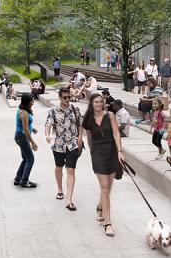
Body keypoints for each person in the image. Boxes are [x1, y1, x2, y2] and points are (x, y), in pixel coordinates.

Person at [81, 93, 125, 238]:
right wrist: (93, 153)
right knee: (104, 188)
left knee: (108, 187)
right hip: (98, 153)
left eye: (101, 102)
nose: (99, 104)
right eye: (96, 102)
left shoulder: (110, 115)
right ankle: (107, 223)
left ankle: (100, 206)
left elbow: (116, 134)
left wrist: (119, 151)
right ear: (91, 104)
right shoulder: (88, 119)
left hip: (112, 152)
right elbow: (89, 139)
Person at [45, 87, 84, 211]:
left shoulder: (75, 109)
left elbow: (80, 124)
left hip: (72, 143)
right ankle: (60, 189)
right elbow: (48, 124)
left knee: (71, 170)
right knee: (59, 167)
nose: (67, 99)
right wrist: (47, 135)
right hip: (59, 144)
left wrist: (79, 138)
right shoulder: (53, 110)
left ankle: (69, 200)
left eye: (69, 97)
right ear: (60, 97)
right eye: (65, 97)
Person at [14, 93, 38, 188]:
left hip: (21, 136)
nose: (33, 102)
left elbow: (26, 125)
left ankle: (18, 179)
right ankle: (24, 181)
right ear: (27, 102)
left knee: (25, 159)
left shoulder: (23, 109)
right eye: (32, 100)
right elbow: (25, 129)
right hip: (22, 137)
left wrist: (33, 128)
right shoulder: (23, 112)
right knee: (30, 159)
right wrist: (33, 142)